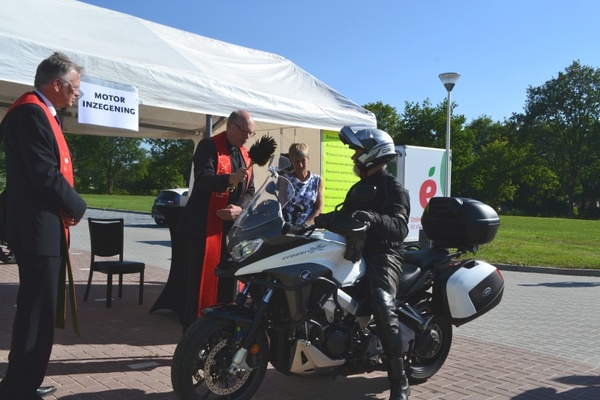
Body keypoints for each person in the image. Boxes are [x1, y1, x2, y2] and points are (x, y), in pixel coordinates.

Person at [0, 52, 87, 400]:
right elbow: (43, 174)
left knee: (39, 309)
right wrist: (77, 205)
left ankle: (25, 380)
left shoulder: (40, 111)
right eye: (74, 87)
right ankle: (19, 388)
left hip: (43, 224)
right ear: (56, 84)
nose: (76, 94)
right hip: (37, 226)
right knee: (36, 311)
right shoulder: (30, 113)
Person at [338, 125, 411, 400]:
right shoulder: (358, 188)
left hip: (384, 254)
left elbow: (399, 227)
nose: (353, 157)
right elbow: (343, 217)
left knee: (382, 301)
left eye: (357, 151)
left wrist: (374, 218)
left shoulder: (393, 188)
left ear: (371, 153)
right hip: (355, 251)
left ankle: (398, 379)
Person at [178, 110, 256, 330]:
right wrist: (229, 178)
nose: (247, 137)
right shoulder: (208, 146)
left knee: (228, 285)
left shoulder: (245, 155)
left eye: (250, 133)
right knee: (199, 286)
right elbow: (203, 179)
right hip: (204, 229)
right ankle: (193, 334)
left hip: (231, 230)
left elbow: (250, 191)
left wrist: (240, 208)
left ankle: (221, 333)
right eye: (244, 131)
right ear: (229, 125)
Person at [282, 143, 323, 226]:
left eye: (303, 160)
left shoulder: (317, 180)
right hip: (288, 224)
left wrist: (308, 223)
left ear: (308, 159)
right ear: (291, 161)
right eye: (296, 161)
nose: (300, 165)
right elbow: (282, 204)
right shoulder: (286, 178)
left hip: (308, 226)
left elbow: (318, 208)